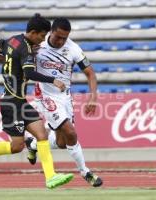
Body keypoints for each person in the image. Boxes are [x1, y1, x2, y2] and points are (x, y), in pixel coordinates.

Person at [0, 14, 74, 189]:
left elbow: (2, 47)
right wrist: (53, 80)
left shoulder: (13, 40)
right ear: (32, 32)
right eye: (41, 35)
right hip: (10, 102)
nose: (42, 40)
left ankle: (51, 176)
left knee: (41, 134)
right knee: (17, 147)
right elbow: (30, 73)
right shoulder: (26, 50)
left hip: (20, 100)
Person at [24, 17, 103, 187]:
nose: (61, 41)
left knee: (62, 142)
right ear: (50, 32)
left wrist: (93, 97)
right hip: (44, 95)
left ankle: (33, 144)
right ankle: (85, 172)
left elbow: (90, 73)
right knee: (71, 132)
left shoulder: (73, 49)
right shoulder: (38, 42)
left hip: (64, 96)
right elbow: (17, 56)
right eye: (58, 37)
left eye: (64, 38)